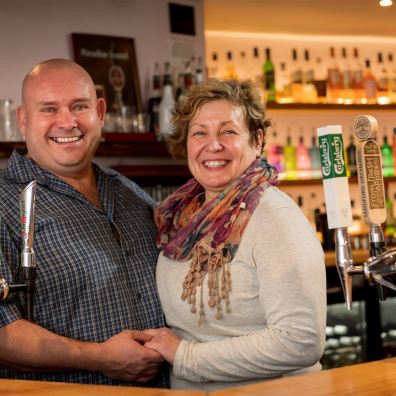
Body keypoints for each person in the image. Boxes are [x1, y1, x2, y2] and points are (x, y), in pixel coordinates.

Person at [143, 79, 327, 391]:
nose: (213, 145)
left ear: (257, 140)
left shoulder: (274, 219)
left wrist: (185, 355)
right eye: (200, 132)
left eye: (228, 131)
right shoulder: (177, 218)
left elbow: (301, 339)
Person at [0, 59, 168, 387]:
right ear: (23, 119)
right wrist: (100, 357)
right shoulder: (5, 203)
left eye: (79, 106)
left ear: (100, 112)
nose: (68, 121)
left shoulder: (128, 192)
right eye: (48, 109)